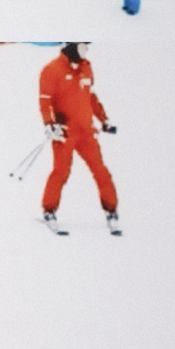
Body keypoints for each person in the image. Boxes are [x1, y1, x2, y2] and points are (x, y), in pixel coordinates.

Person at [40, 41, 119, 233]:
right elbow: (45, 100)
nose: (86, 50)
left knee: (101, 171)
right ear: (71, 45)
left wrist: (104, 119)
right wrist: (50, 124)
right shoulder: (52, 70)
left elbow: (89, 97)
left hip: (86, 132)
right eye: (82, 46)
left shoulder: (86, 67)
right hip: (65, 132)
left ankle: (111, 211)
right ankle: (49, 210)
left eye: (87, 46)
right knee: (61, 171)